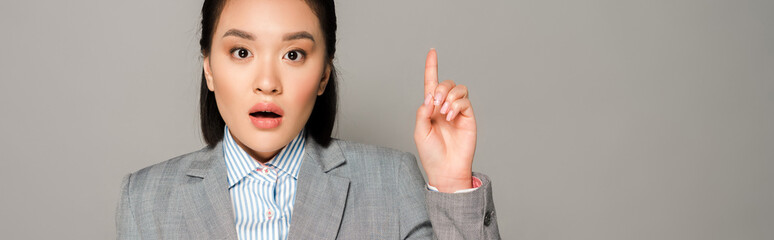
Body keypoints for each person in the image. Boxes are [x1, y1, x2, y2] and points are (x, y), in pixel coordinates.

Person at [116, 0, 500, 239]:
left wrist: (452, 186)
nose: (267, 83)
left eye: (294, 54)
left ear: (323, 75)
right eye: (241, 52)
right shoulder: (147, 200)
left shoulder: (392, 183)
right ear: (210, 69)